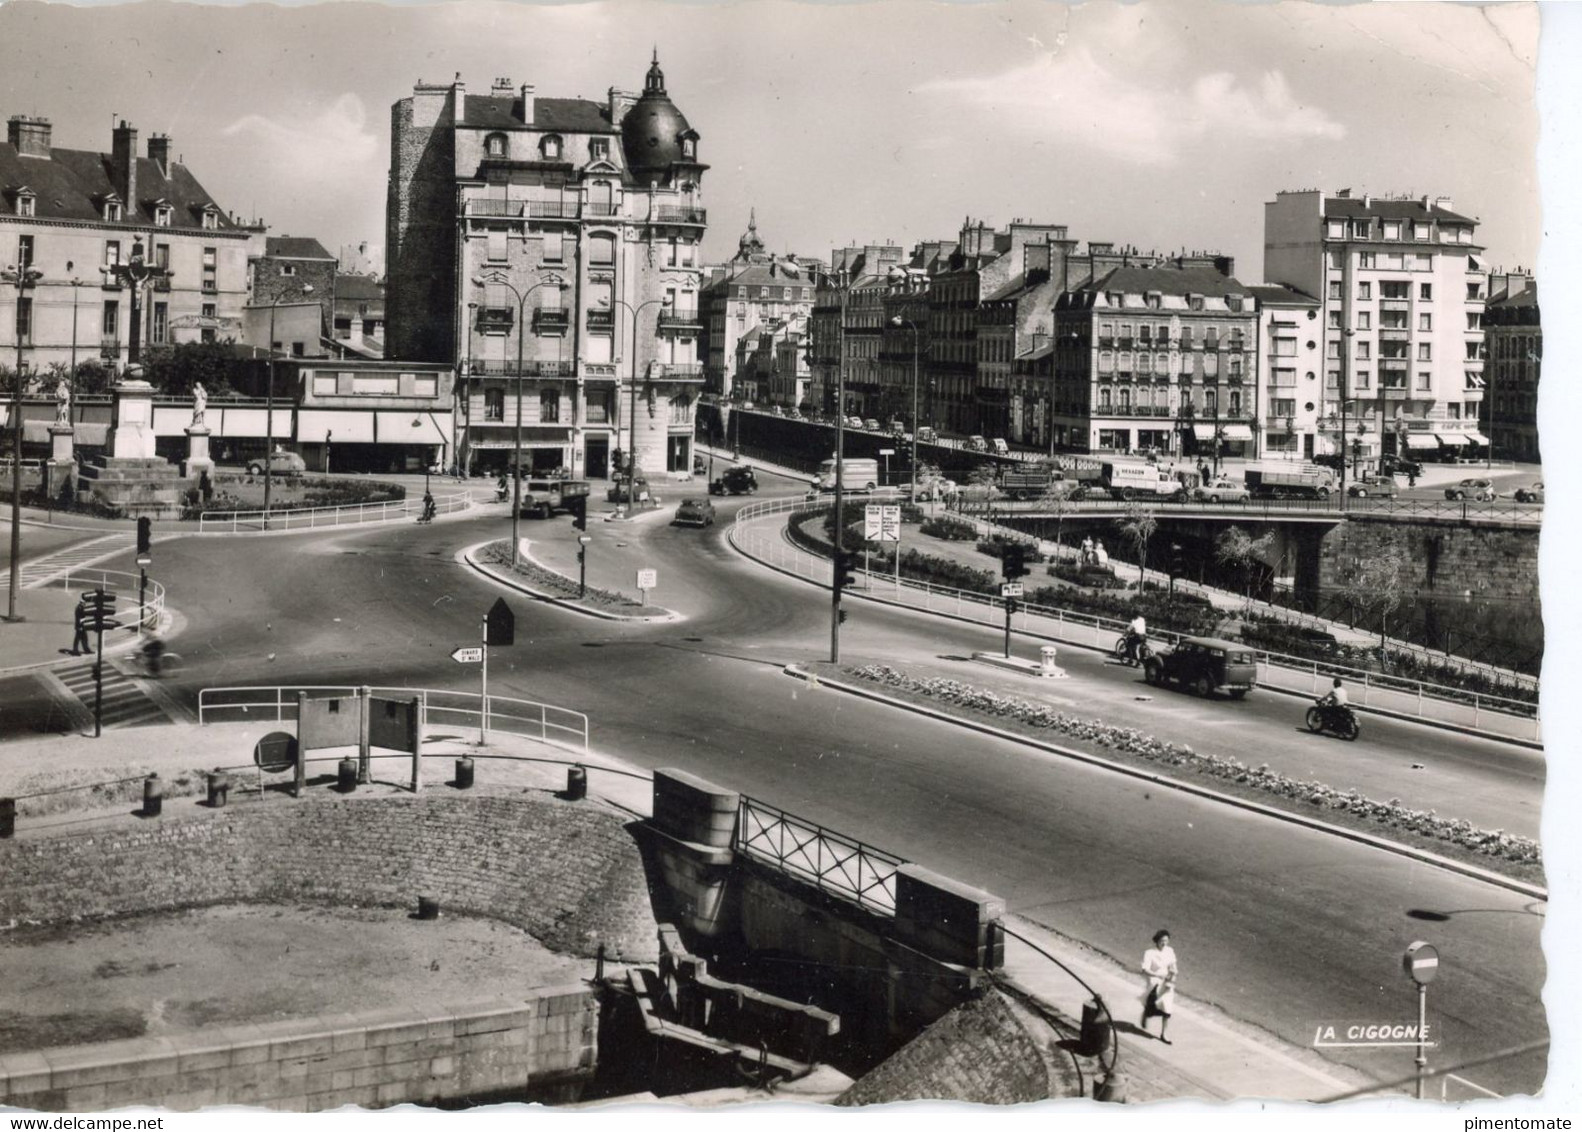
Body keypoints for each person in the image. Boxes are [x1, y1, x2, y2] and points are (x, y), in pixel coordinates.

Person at [1141, 929, 1178, 1043]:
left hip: (1166, 982)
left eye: (1166, 941)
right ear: (1156, 941)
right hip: (1154, 981)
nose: (1164, 943)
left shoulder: (1170, 951)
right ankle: (1147, 1013)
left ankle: (1164, 1034)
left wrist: (1173, 973)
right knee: (1153, 1005)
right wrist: (1158, 975)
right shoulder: (1149, 953)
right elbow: (1145, 969)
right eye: (1162, 941)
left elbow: (1173, 965)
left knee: (1167, 1008)